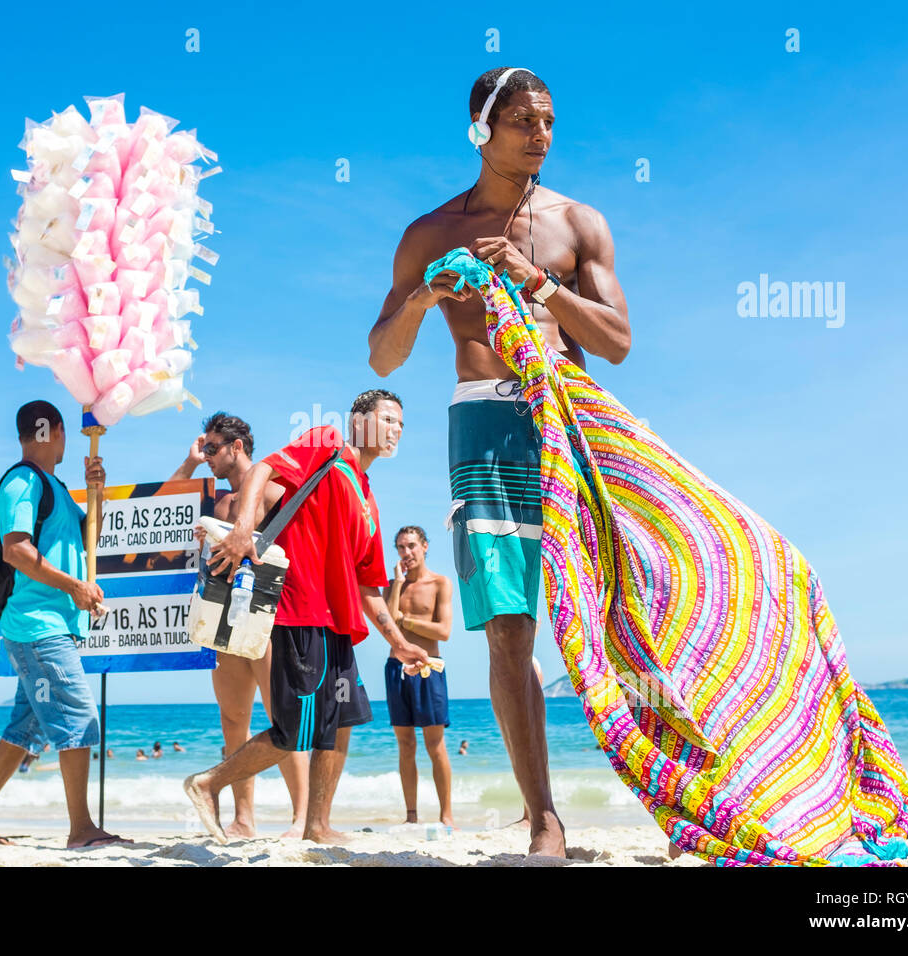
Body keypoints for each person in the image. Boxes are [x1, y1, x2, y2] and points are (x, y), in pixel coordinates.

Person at [368, 67, 632, 857]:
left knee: (623, 614)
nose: (541, 136)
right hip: (483, 421)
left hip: (571, 418)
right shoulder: (430, 232)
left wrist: (538, 288)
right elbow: (383, 355)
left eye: (549, 121)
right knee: (509, 629)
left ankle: (680, 784)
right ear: (481, 130)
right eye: (524, 122)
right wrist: (422, 299)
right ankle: (543, 814)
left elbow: (616, 342)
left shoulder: (579, 224)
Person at [184, 390, 429, 845]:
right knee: (294, 729)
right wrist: (242, 532)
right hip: (300, 612)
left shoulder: (369, 504)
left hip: (337, 625)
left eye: (401, 423)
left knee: (341, 724)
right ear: (360, 422)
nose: (395, 430)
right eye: (387, 419)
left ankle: (318, 824)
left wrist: (397, 641)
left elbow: (369, 588)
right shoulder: (329, 444)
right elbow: (261, 469)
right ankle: (208, 783)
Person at [0, 400, 126, 850]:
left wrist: (97, 493)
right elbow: (16, 550)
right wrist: (75, 588)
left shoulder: (57, 488)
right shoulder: (21, 481)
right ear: (59, 433)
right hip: (36, 625)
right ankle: (82, 829)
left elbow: (91, 538)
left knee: (24, 730)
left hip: (52, 624)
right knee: (80, 718)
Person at [170, 412, 310, 837]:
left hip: (268, 621)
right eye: (205, 448)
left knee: (282, 718)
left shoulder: (271, 489)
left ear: (237, 447)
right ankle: (243, 818)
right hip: (223, 620)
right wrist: (192, 462)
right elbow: (168, 500)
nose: (208, 455)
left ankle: (301, 819)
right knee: (233, 719)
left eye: (213, 448)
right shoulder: (219, 502)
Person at [383, 525, 455, 826]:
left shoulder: (440, 583)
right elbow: (387, 625)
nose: (406, 553)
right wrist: (398, 585)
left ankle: (446, 815)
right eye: (400, 547)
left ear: (424, 546)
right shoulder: (391, 586)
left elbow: (444, 631)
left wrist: (406, 619)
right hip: (396, 669)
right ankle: (411, 815)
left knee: (434, 744)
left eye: (411, 546)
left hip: (430, 666)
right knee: (405, 744)